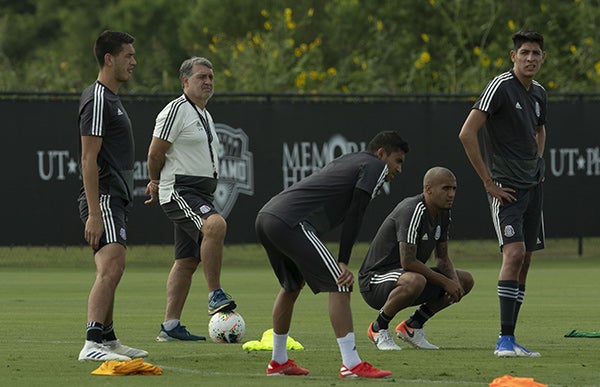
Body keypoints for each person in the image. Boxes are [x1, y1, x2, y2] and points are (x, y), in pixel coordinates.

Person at [255, 131, 409, 379]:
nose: (399, 169)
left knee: (291, 286)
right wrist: (343, 261)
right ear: (382, 153)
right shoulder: (374, 165)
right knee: (341, 283)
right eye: (398, 161)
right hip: (290, 221)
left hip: (267, 217)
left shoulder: (352, 159)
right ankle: (351, 363)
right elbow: (356, 212)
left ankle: (278, 362)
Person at [458, 30, 547, 357]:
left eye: (536, 53)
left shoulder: (539, 93)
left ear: (543, 58)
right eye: (524, 52)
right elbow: (467, 133)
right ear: (513, 56)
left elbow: (540, 128)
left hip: (532, 187)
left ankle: (511, 339)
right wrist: (488, 182)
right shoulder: (499, 87)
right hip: (506, 189)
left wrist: (538, 163)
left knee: (524, 260)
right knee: (512, 254)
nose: (530, 58)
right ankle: (503, 341)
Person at [145, 57, 236, 342]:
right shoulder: (176, 110)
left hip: (199, 192)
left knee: (186, 260)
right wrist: (156, 181)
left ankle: (170, 328)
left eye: (211, 76)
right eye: (201, 77)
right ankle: (214, 294)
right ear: (185, 81)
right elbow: (155, 153)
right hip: (179, 189)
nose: (208, 81)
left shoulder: (204, 114)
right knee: (215, 225)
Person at [77, 30, 147, 362]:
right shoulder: (99, 98)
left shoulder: (112, 98)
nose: (134, 61)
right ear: (109, 59)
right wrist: (93, 212)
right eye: (128, 55)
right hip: (103, 197)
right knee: (111, 265)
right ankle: (92, 343)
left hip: (115, 198)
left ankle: (107, 339)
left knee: (114, 266)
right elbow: (88, 158)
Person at [359, 167, 474, 351]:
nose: (451, 194)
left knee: (465, 280)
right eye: (446, 188)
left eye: (454, 189)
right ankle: (377, 328)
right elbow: (408, 262)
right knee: (416, 279)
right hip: (375, 280)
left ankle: (413, 326)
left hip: (407, 278)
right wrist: (445, 282)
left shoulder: (443, 212)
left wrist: (453, 281)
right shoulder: (413, 210)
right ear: (428, 189)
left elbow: (442, 257)